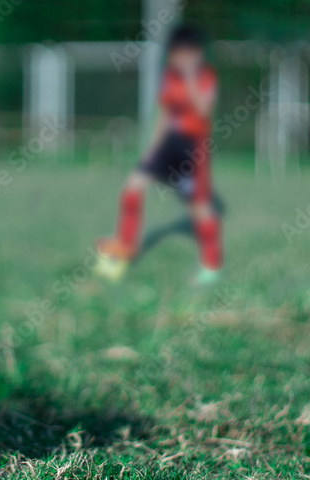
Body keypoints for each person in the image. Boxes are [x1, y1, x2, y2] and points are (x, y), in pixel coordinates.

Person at [95, 25, 223, 286]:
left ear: (198, 54)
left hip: (192, 147)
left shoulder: (206, 77)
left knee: (199, 208)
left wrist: (190, 79)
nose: (184, 59)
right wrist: (153, 147)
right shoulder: (169, 77)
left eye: (190, 53)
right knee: (133, 187)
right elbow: (165, 114)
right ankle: (125, 246)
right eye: (179, 53)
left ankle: (211, 265)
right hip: (168, 145)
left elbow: (203, 110)